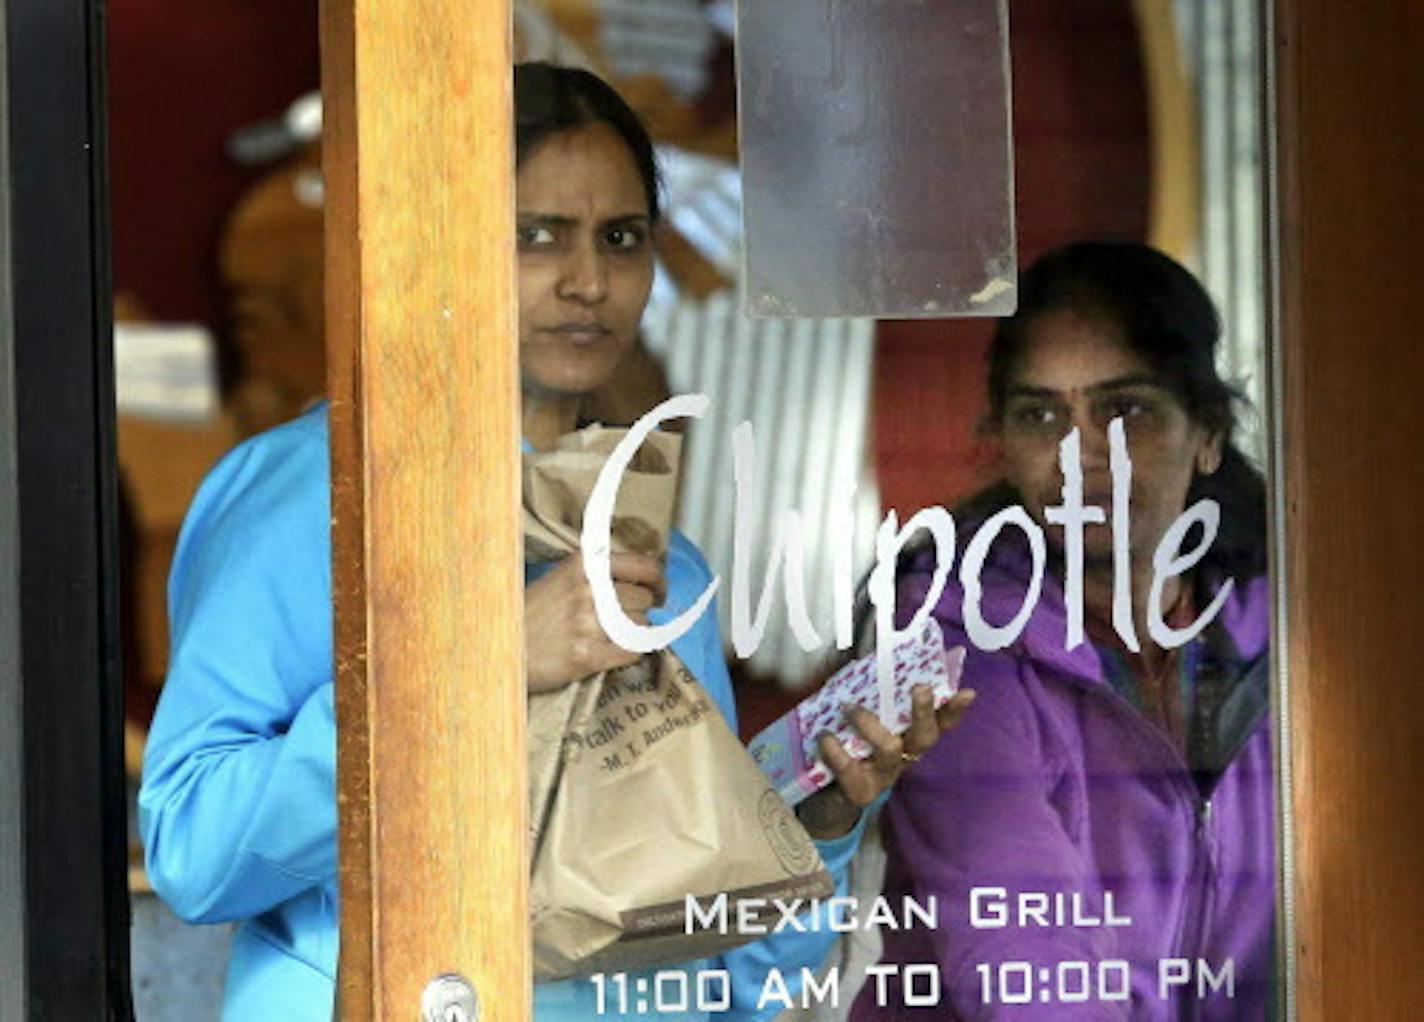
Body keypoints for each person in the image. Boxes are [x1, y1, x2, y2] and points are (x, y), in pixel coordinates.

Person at [139, 62, 970, 1021]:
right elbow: (196, 856)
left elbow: (726, 991)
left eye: (621, 238)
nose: (589, 282)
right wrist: (484, 666)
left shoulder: (663, 561)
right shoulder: (316, 495)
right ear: (443, 239)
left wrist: (817, 820)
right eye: (537, 236)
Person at [849, 241, 1272, 1020]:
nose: (1081, 456)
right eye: (1042, 415)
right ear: (1005, 445)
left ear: (1207, 434)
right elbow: (1029, 973)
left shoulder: (1288, 641)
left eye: (1126, 410)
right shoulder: (953, 640)